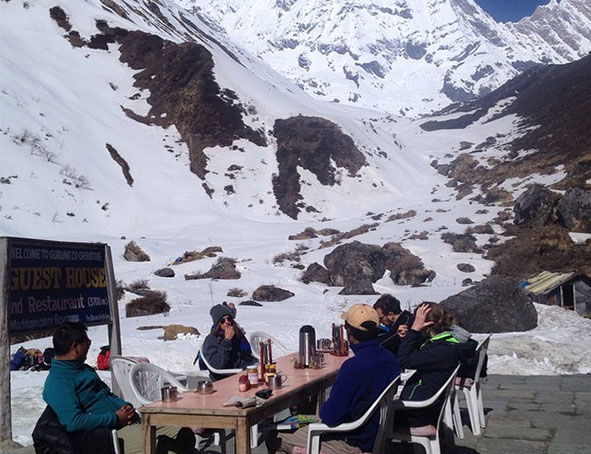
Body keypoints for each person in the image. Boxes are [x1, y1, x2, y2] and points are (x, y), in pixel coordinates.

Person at [41, 322, 195, 454]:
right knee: (160, 445)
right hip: (106, 436)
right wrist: (115, 418)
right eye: (86, 342)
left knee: (184, 433)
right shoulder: (58, 382)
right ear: (75, 347)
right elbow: (74, 422)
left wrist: (125, 407)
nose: (89, 345)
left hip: (124, 422)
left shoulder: (83, 369)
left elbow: (106, 395)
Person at [267, 304, 400, 454]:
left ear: (348, 331)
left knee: (275, 437)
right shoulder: (390, 360)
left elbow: (330, 417)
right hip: (374, 436)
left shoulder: (354, 367)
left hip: (351, 441)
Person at [396, 302, 461, 431]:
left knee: (378, 416)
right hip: (424, 404)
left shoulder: (441, 350)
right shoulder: (442, 344)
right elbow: (417, 355)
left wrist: (414, 331)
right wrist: (407, 338)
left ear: (426, 325)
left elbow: (403, 361)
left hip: (420, 411)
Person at [201, 303, 256, 380]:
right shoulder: (211, 340)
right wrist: (227, 340)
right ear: (218, 324)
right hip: (225, 377)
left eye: (229, 319)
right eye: (222, 320)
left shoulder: (237, 334)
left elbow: (246, 356)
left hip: (243, 372)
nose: (227, 322)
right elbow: (218, 365)